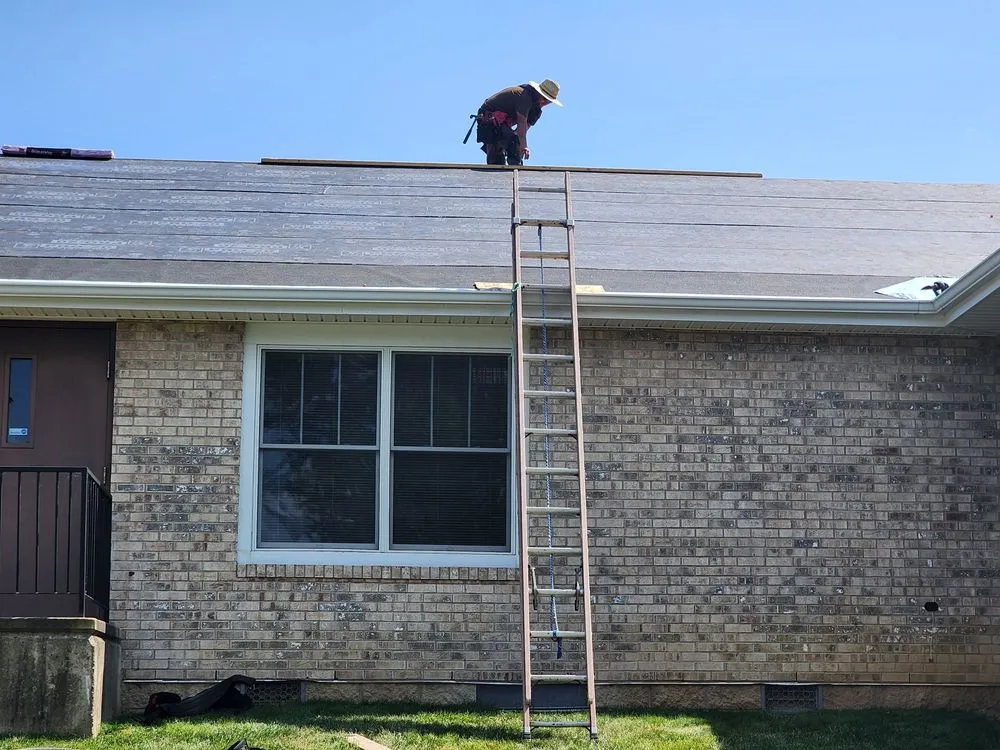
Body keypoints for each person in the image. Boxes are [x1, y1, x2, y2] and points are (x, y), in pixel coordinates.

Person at [471, 79, 562, 166]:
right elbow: (521, 122)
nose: (544, 102)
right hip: (488, 119)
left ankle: (514, 171)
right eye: (544, 98)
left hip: (503, 124)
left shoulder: (536, 111)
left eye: (548, 101)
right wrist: (524, 146)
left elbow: (521, 130)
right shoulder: (525, 96)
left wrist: (519, 145)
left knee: (514, 144)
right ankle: (503, 169)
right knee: (503, 150)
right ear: (538, 92)